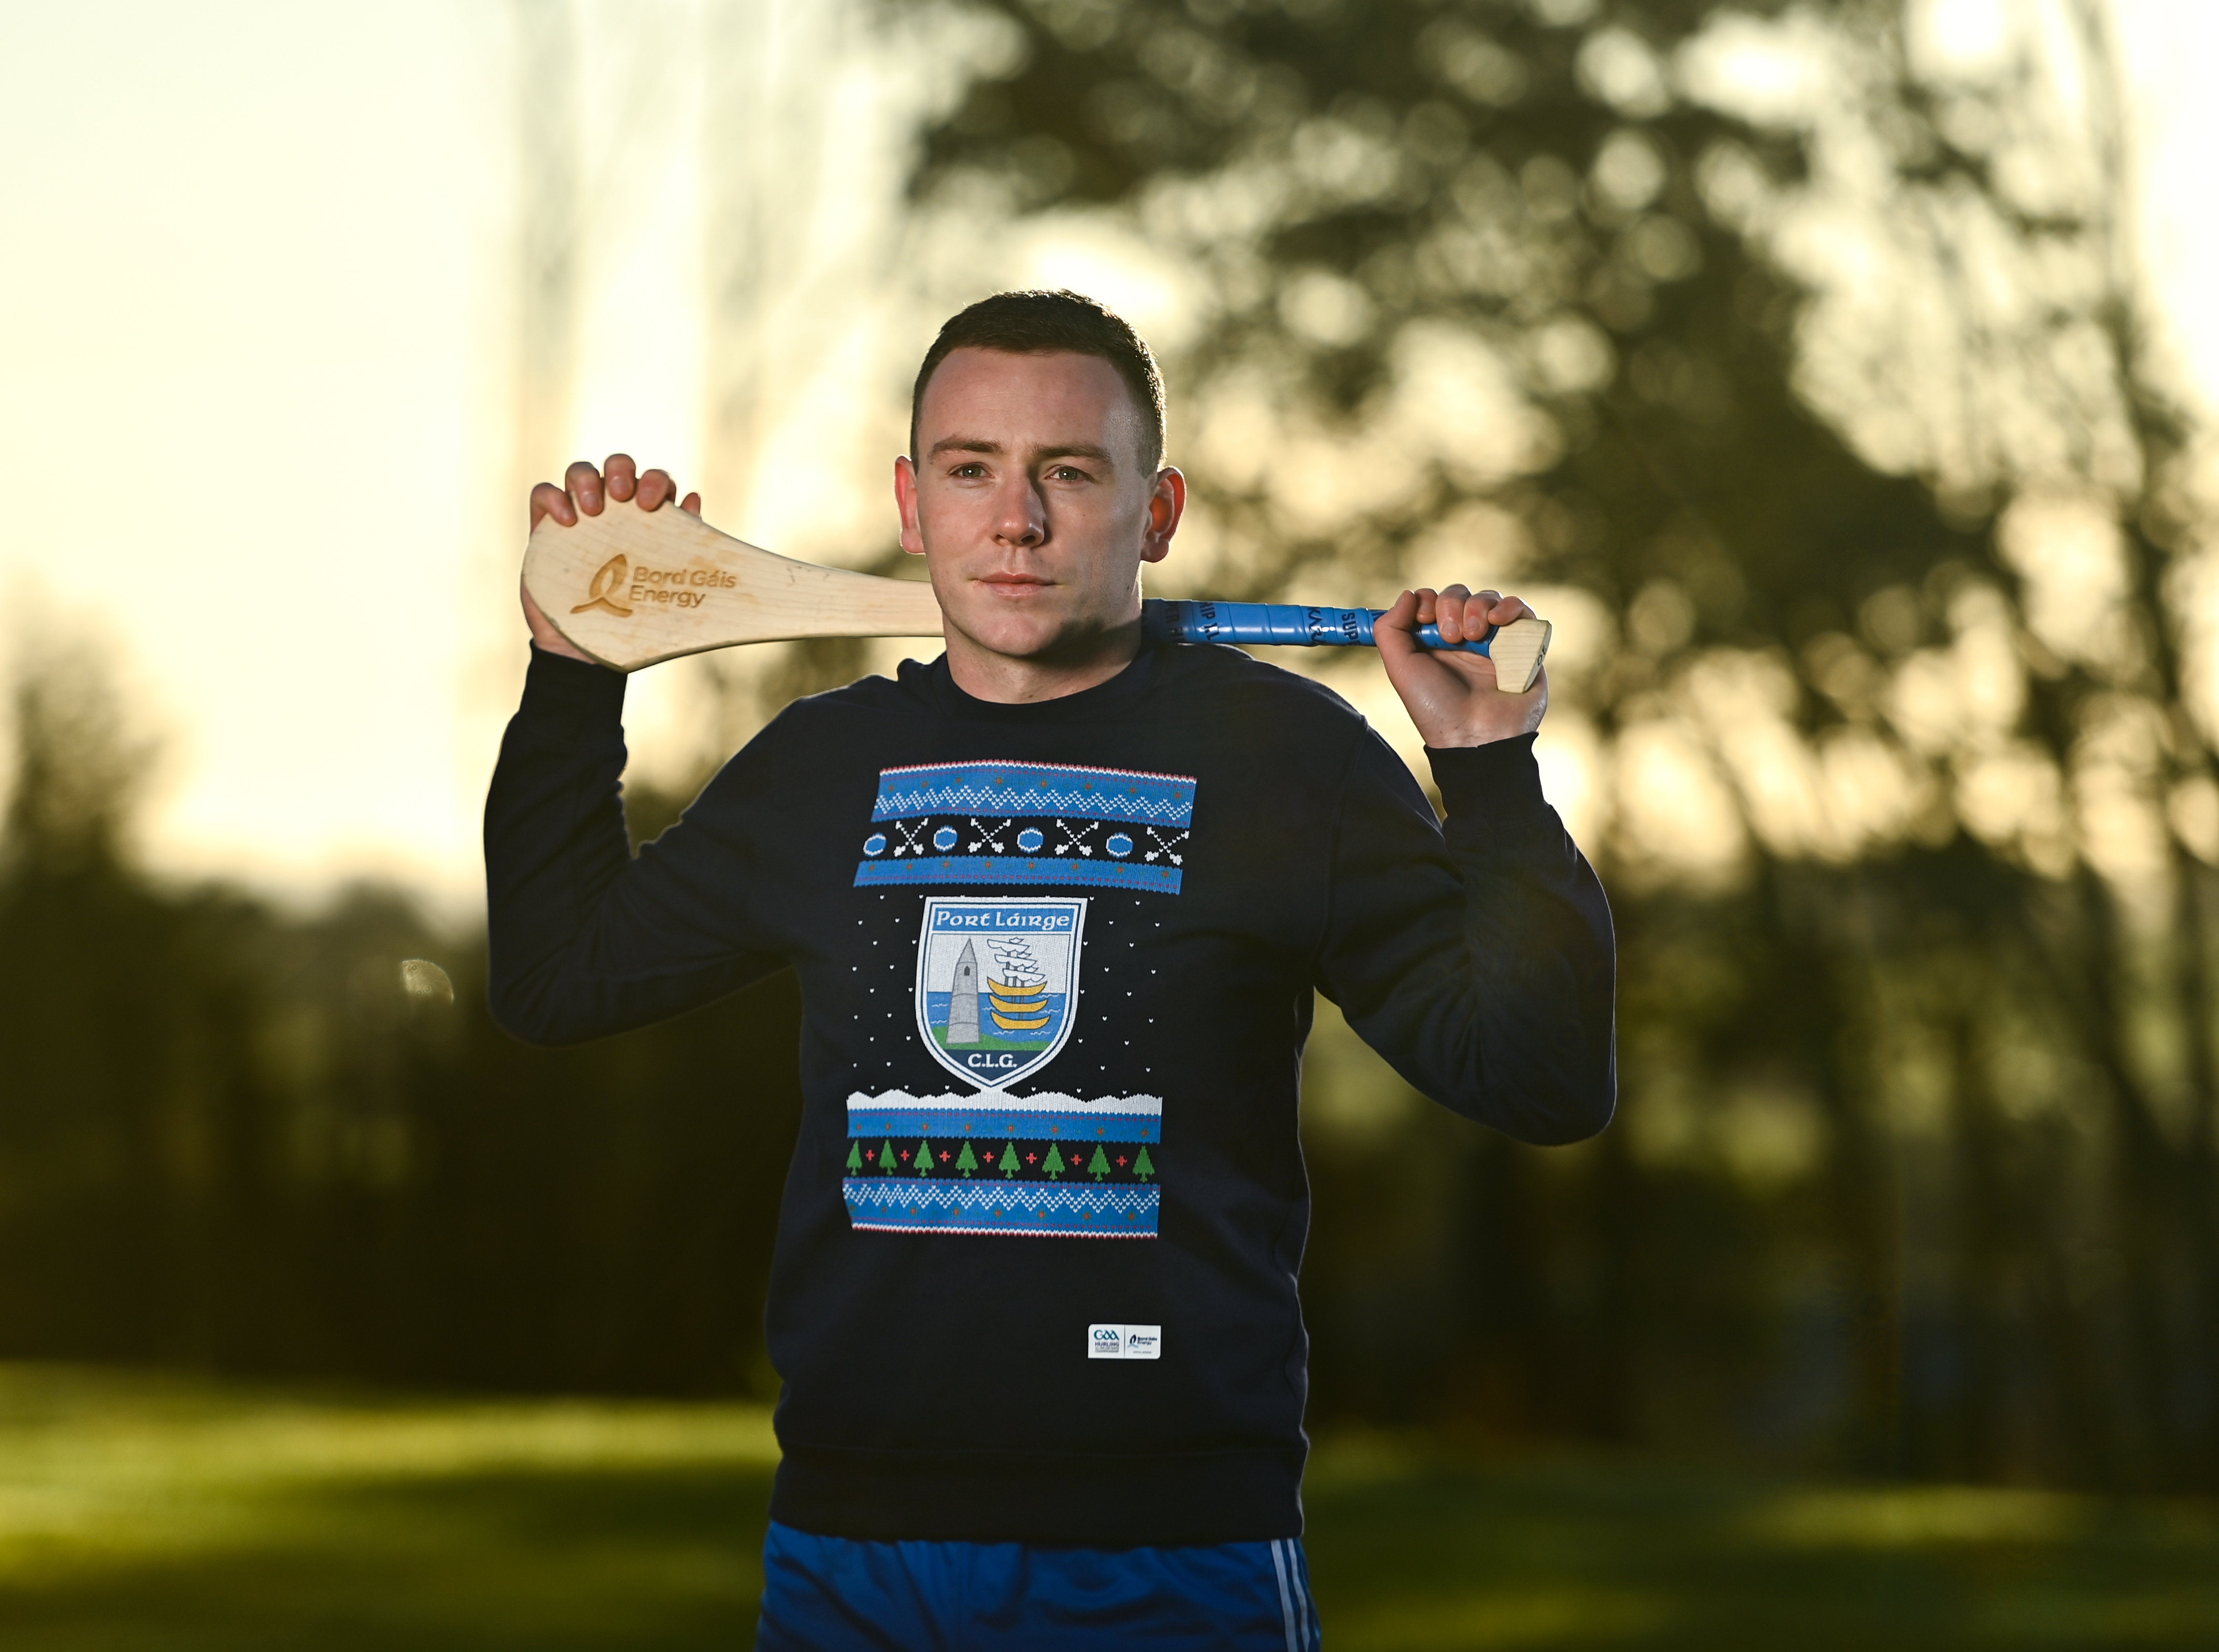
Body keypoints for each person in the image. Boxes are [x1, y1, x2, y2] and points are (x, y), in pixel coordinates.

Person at [486, 290, 1615, 1649]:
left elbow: (1542, 1077)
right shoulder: (821, 769)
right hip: (853, 1545)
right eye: (972, 469)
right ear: (915, 503)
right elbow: (557, 976)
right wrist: (572, 675)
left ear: (1158, 511)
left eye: (1068, 473)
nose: (1015, 520)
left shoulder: (1290, 763)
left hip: (1171, 1551)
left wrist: (1490, 777)